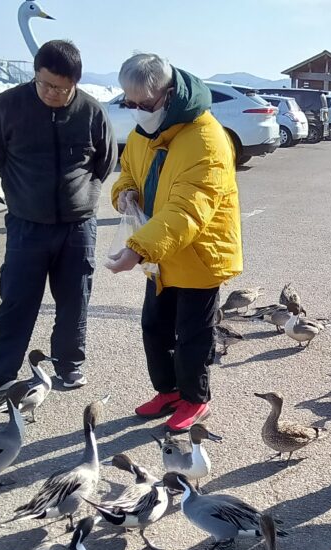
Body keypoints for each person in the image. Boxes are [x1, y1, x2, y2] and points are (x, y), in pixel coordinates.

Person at [0, 40, 116, 398]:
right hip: (27, 223)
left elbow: (105, 160)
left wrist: (81, 195)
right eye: (45, 84)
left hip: (77, 226)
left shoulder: (91, 111)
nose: (52, 93)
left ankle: (69, 364)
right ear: (35, 74)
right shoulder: (8, 106)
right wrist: (25, 190)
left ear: (75, 83)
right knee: (17, 300)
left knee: (74, 300)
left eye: (62, 88)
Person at [107, 54, 241, 432]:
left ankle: (196, 399)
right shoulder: (143, 133)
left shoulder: (206, 139)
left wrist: (138, 249)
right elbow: (128, 172)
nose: (137, 111)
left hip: (199, 254)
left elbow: (188, 210)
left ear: (168, 95)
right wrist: (125, 194)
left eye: (144, 104)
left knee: (193, 335)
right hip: (159, 253)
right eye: (129, 103)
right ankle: (168, 391)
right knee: (155, 327)